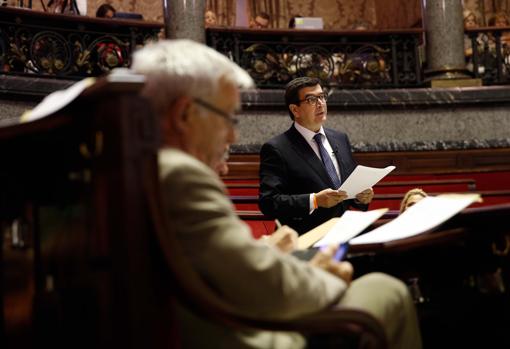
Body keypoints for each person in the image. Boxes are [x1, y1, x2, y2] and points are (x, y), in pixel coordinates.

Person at [131, 39, 421, 349]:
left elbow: (218, 264)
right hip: (251, 334)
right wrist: (327, 276)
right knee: (386, 288)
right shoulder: (179, 175)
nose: (232, 135)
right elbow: (265, 287)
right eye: (227, 117)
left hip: (233, 310)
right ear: (185, 113)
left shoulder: (139, 168)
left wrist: (269, 251)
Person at [258, 77, 374, 235]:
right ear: (295, 110)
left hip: (344, 234)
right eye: (311, 99)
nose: (321, 104)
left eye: (322, 96)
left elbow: (348, 187)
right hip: (305, 239)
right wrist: (314, 201)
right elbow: (268, 203)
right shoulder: (277, 148)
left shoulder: (340, 138)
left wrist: (361, 198)